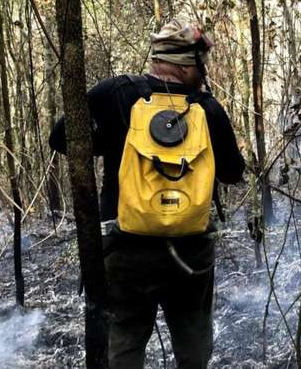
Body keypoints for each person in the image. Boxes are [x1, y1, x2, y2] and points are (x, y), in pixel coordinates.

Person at [49, 19, 245, 368]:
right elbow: (233, 172)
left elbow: (61, 137)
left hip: (125, 248)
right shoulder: (207, 107)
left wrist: (112, 144)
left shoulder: (115, 92)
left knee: (125, 341)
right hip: (190, 253)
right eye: (202, 63)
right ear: (189, 64)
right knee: (193, 342)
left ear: (157, 58)